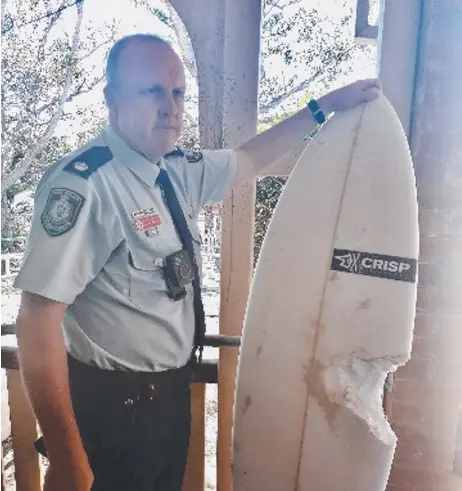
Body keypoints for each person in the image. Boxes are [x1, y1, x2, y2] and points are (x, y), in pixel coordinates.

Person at [14, 33, 380, 491]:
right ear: (111, 98)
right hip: (108, 419)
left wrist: (322, 107)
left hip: (165, 410)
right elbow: (37, 322)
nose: (170, 106)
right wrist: (68, 458)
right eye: (151, 90)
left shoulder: (175, 170)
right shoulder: (87, 185)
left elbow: (249, 159)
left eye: (178, 92)